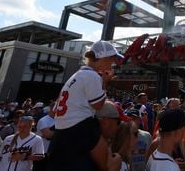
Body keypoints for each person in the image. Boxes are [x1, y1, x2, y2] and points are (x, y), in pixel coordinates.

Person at [47, 40, 122, 171]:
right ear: (102, 58)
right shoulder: (92, 76)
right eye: (111, 59)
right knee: (110, 165)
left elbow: (53, 112)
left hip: (61, 132)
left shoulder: (77, 75)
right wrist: (104, 82)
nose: (112, 63)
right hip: (80, 127)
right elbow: (99, 105)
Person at [33, 102, 55, 171]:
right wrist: (61, 132)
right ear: (51, 108)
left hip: (52, 153)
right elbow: (47, 134)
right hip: (41, 153)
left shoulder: (61, 121)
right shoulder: (43, 120)